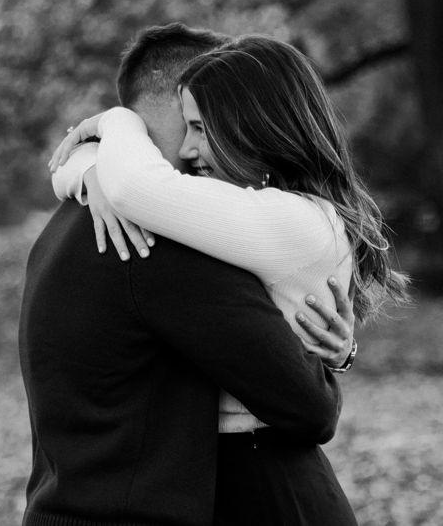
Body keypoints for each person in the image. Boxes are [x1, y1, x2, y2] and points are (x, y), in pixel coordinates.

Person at [47, 34, 409, 524]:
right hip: (246, 477)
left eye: (201, 128)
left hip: (271, 484)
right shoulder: (278, 212)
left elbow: (136, 186)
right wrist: (87, 166)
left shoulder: (287, 220)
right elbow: (121, 182)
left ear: (252, 127)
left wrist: (116, 122)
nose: (189, 148)